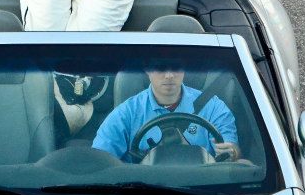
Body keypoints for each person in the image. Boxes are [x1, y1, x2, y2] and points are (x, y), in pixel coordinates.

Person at [92, 65, 240, 163]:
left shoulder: (213, 106)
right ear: (147, 69)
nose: (169, 75)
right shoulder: (125, 114)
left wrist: (232, 153)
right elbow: (99, 162)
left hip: (205, 192)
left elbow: (231, 151)